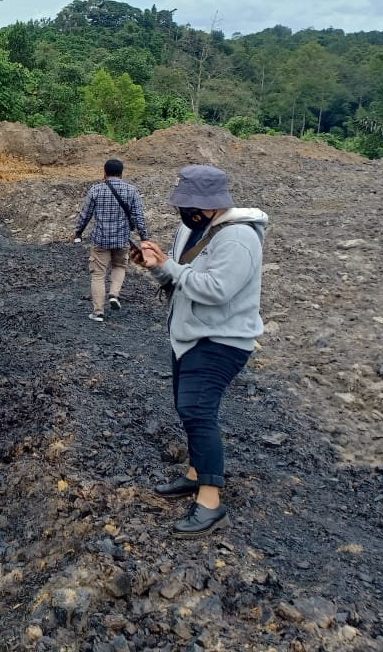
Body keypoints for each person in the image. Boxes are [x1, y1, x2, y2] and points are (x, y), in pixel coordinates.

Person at [133, 164, 268, 538]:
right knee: (187, 407)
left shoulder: (238, 237)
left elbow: (216, 290)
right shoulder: (192, 230)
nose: (184, 210)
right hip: (191, 335)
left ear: (212, 203)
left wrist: (169, 266)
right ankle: (196, 474)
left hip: (222, 339)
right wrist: (156, 266)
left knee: (197, 410)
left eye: (190, 204)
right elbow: (181, 279)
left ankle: (210, 503)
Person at [72, 158, 149, 322]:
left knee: (98, 275)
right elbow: (139, 217)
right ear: (121, 173)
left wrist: (78, 233)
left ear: (104, 172)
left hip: (100, 240)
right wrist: (144, 238)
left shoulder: (96, 190)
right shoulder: (131, 190)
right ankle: (114, 294)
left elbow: (85, 214)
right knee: (119, 266)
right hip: (122, 240)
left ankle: (98, 312)